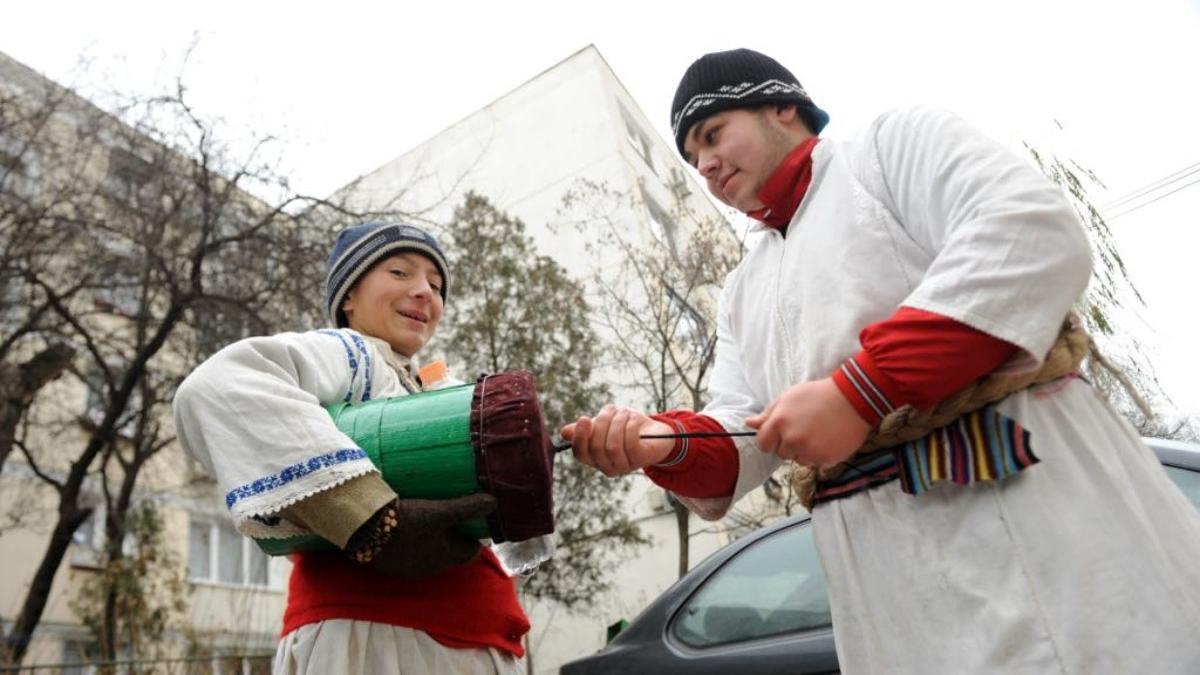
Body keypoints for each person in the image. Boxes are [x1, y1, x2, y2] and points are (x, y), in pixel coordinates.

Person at [562, 48, 1200, 674]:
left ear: (781, 105)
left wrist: (860, 393)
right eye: (692, 157)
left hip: (1040, 543)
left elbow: (1028, 233)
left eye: (712, 134)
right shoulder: (741, 292)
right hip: (889, 604)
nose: (704, 164)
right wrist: (662, 443)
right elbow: (743, 434)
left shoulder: (889, 149)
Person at [174, 222, 528, 674]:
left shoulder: (429, 386)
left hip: (464, 643)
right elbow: (217, 387)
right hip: (380, 643)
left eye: (436, 285)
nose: (425, 292)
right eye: (400, 272)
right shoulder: (351, 352)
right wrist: (372, 522)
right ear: (348, 297)